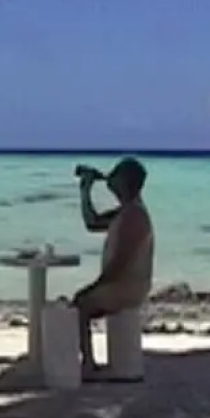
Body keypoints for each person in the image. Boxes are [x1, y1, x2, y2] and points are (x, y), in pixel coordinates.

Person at [73, 156, 155, 381]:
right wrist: (86, 191)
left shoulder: (134, 216)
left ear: (126, 182)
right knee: (79, 301)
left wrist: (97, 285)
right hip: (123, 283)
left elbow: (120, 263)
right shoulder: (126, 211)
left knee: (80, 304)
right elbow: (92, 223)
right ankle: (88, 362)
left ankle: (89, 364)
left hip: (127, 287)